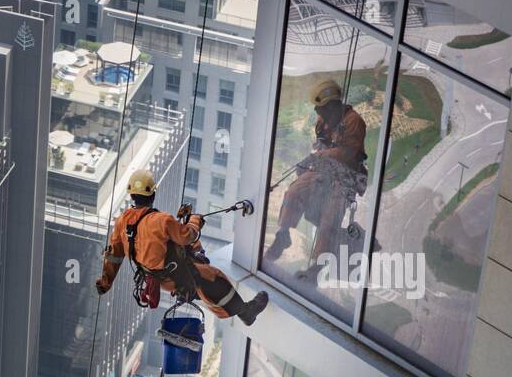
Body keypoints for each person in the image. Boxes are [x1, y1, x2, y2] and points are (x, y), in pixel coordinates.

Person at [95, 170, 269, 325]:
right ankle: (245, 312)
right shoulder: (162, 220)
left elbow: (114, 255)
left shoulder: (122, 221)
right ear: (153, 194)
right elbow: (188, 236)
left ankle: (189, 286)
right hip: (176, 274)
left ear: (131, 194)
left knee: (196, 253)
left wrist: (106, 282)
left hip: (157, 277)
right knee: (214, 278)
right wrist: (195, 221)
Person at [264, 78, 369, 276]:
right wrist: (308, 161)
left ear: (333, 106)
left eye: (320, 108)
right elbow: (321, 145)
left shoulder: (354, 122)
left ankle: (316, 269)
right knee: (294, 191)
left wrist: (318, 156)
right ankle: (283, 234)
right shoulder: (324, 121)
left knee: (330, 220)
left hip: (345, 178)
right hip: (322, 171)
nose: (317, 112)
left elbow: (348, 153)